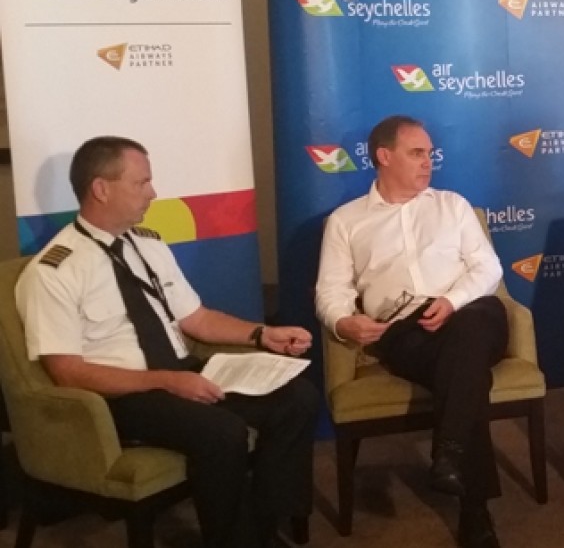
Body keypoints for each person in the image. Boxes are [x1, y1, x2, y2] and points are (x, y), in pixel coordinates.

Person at [15, 136, 318, 548]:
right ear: (101, 189)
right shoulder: (54, 271)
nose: (153, 193)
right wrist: (166, 382)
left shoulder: (149, 245)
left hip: (179, 373)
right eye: (141, 183)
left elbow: (198, 319)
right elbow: (67, 372)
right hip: (122, 396)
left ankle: (265, 528)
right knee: (222, 432)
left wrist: (261, 334)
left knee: (297, 398)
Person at [316, 115, 508, 548]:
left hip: (471, 312)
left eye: (430, 154)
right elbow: (330, 290)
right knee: (467, 372)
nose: (428, 162)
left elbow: (488, 267)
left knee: (469, 331)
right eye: (417, 153)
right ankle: (471, 503)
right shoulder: (346, 221)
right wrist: (344, 321)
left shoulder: (452, 205)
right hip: (406, 332)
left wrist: (451, 301)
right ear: (384, 156)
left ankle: (450, 452)